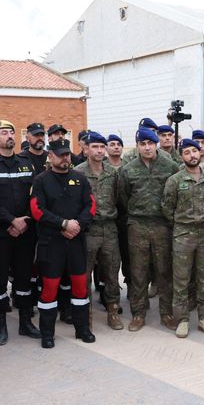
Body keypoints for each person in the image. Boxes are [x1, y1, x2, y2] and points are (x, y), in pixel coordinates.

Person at [30, 137, 96, 347]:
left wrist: (77, 224)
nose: (65, 158)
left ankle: (82, 329)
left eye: (67, 154)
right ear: (50, 156)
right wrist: (63, 224)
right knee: (49, 288)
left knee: (80, 288)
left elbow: (91, 206)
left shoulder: (80, 178)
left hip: (76, 241)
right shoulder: (41, 180)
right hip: (52, 243)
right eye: (60, 155)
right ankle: (47, 333)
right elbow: (37, 210)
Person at [0, 120, 41, 344]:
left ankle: (26, 322)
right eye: (4, 133)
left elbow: (34, 194)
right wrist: (10, 220)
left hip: (25, 231)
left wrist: (24, 219)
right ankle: (2, 326)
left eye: (12, 132)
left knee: (24, 280)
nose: (9, 136)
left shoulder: (25, 163)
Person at [118, 127, 179, 331]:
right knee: (138, 271)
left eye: (150, 143)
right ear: (137, 147)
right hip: (137, 225)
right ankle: (138, 313)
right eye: (142, 144)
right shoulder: (128, 169)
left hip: (162, 225)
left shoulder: (170, 166)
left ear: (156, 144)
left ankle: (167, 313)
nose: (147, 147)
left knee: (164, 271)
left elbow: (174, 194)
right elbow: (123, 197)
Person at [162, 137, 204, 337]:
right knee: (181, 279)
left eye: (194, 151)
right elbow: (167, 208)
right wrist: (181, 225)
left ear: (200, 153)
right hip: (183, 234)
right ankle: (182, 319)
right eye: (187, 152)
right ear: (182, 156)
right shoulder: (175, 180)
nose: (192, 155)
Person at [74, 132, 124, 330]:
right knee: (84, 274)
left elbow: (121, 199)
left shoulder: (113, 173)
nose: (99, 150)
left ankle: (113, 310)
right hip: (88, 230)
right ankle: (86, 313)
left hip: (109, 228)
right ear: (86, 149)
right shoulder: (77, 173)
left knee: (112, 272)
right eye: (95, 147)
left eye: (102, 147)